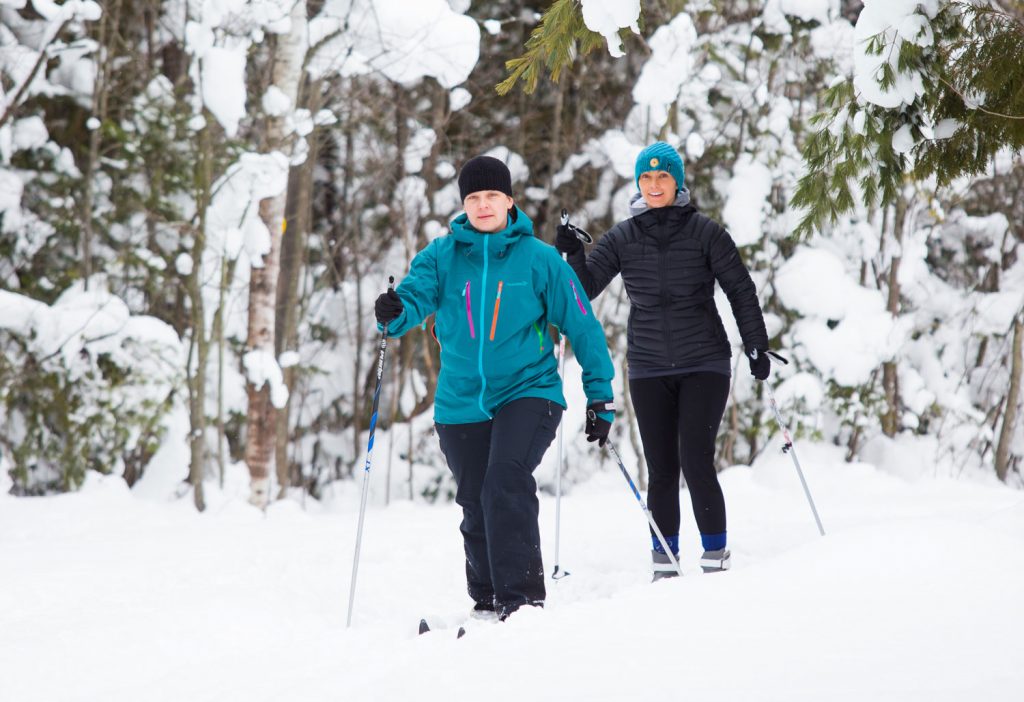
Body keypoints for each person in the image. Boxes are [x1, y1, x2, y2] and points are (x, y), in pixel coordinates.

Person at [374, 155, 616, 619]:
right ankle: (486, 599)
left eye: (492, 196)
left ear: (509, 200)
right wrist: (394, 312)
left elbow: (583, 326)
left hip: (529, 390)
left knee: (505, 480)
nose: (483, 205)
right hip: (460, 400)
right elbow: (413, 298)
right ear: (464, 204)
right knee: (474, 499)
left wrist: (599, 393)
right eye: (473, 198)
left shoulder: (540, 259)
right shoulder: (441, 256)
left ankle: (522, 601)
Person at [555, 141, 770, 579]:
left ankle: (715, 556)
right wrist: (573, 254)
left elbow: (740, 289)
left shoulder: (706, 232)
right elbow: (585, 288)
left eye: (663, 177)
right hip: (649, 366)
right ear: (639, 184)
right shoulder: (623, 237)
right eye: (647, 178)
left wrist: (755, 344)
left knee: (695, 456)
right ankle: (665, 563)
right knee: (661, 467)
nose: (654, 185)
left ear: (678, 182)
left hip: (704, 362)